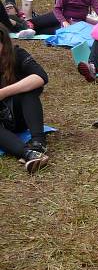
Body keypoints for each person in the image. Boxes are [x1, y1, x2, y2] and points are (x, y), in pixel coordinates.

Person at [0, 26, 50, 173]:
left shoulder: (17, 54)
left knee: (28, 90)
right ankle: (29, 154)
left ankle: (38, 143)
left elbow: (41, 77)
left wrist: (3, 92)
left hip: (18, 114)